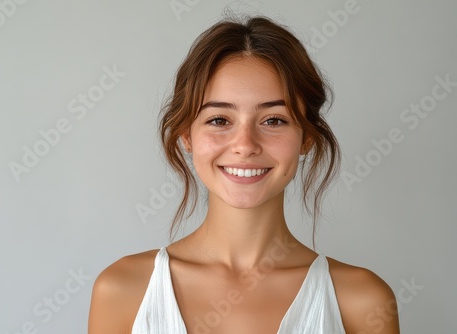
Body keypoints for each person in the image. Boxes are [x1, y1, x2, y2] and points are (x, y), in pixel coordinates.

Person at [88, 15, 400, 334]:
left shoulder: (363, 302)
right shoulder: (122, 291)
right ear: (186, 135)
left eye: (274, 120)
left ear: (306, 137)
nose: (246, 145)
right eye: (220, 120)